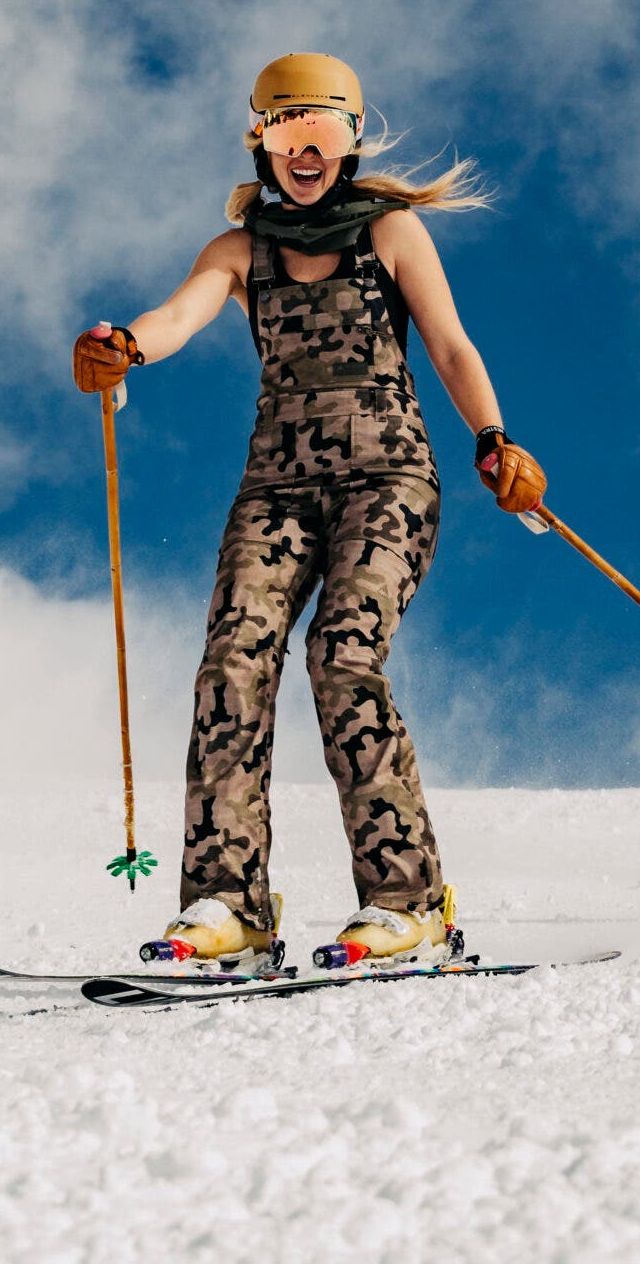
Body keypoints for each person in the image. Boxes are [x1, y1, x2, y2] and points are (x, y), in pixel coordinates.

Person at [71, 53, 547, 970]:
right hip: (276, 488)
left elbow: (448, 344)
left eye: (323, 134)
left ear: (352, 142)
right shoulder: (238, 252)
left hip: (390, 479)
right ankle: (227, 902)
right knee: (232, 658)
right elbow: (177, 317)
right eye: (287, 133)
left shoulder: (392, 232)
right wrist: (124, 347)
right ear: (260, 141)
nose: (305, 153)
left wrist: (494, 441)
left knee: (342, 652)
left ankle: (408, 901)